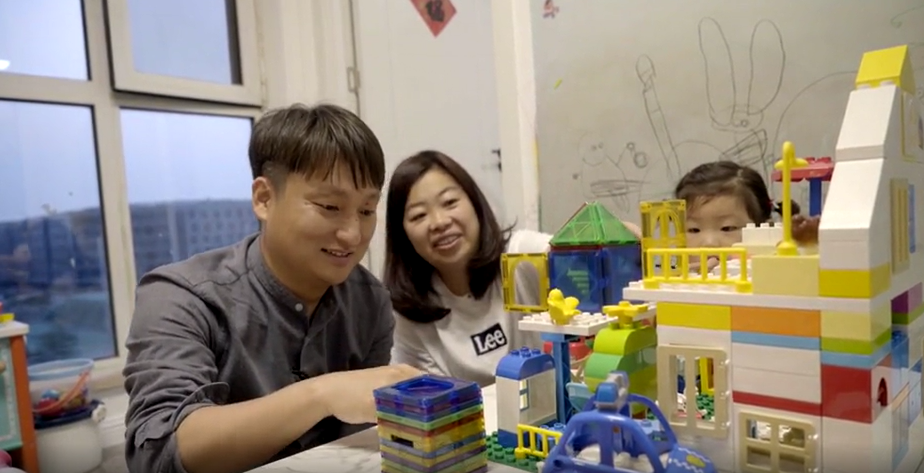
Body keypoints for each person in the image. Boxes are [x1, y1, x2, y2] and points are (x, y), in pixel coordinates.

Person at [122, 104, 420, 473]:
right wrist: (322, 394)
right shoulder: (182, 296)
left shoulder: (369, 301)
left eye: (366, 210)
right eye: (330, 206)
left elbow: (361, 439)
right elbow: (158, 456)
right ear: (264, 198)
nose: (353, 235)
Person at [383, 151, 641, 387]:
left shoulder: (521, 255)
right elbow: (422, 394)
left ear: (474, 202)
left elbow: (571, 253)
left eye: (449, 202)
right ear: (402, 233)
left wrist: (618, 238)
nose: (439, 222)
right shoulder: (408, 312)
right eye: (418, 215)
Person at [674, 160, 820, 255]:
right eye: (693, 230)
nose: (709, 244)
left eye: (727, 228)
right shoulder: (671, 278)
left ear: (764, 229)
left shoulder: (775, 275)